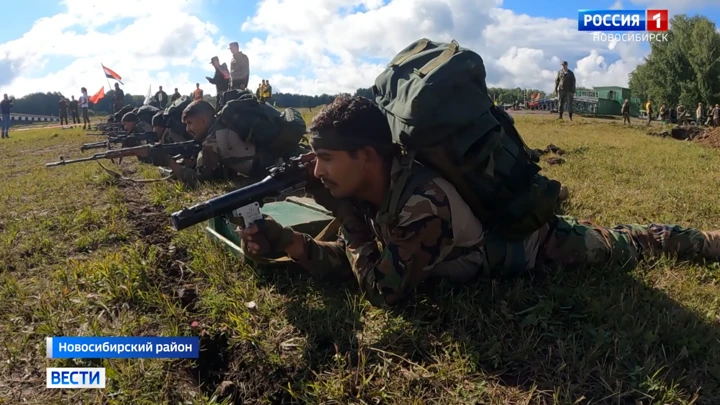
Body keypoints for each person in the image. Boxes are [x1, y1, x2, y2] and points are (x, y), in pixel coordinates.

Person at [236, 96, 720, 308]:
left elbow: (384, 288)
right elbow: (362, 261)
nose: (316, 171)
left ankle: (706, 240)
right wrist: (290, 245)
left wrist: (345, 217)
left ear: (366, 156)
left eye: (324, 157)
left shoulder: (421, 202)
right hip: (467, 240)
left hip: (534, 245)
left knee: (628, 240)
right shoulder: (369, 187)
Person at [165, 100, 256, 183]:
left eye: (190, 123)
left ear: (203, 120)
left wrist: (168, 162)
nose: (187, 129)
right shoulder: (223, 126)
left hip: (265, 172)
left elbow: (198, 179)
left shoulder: (213, 139)